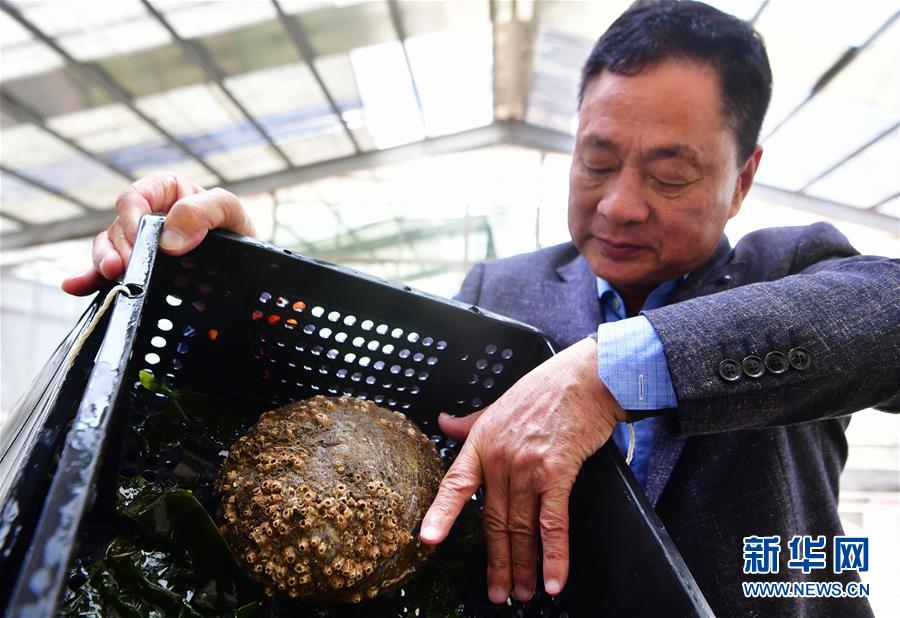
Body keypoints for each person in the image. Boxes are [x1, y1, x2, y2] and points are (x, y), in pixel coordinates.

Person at [63, 2, 899, 615]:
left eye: (671, 174)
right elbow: (377, 437)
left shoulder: (787, 267)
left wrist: (610, 370)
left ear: (743, 177)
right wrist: (243, 282)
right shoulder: (502, 290)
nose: (618, 205)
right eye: (596, 161)